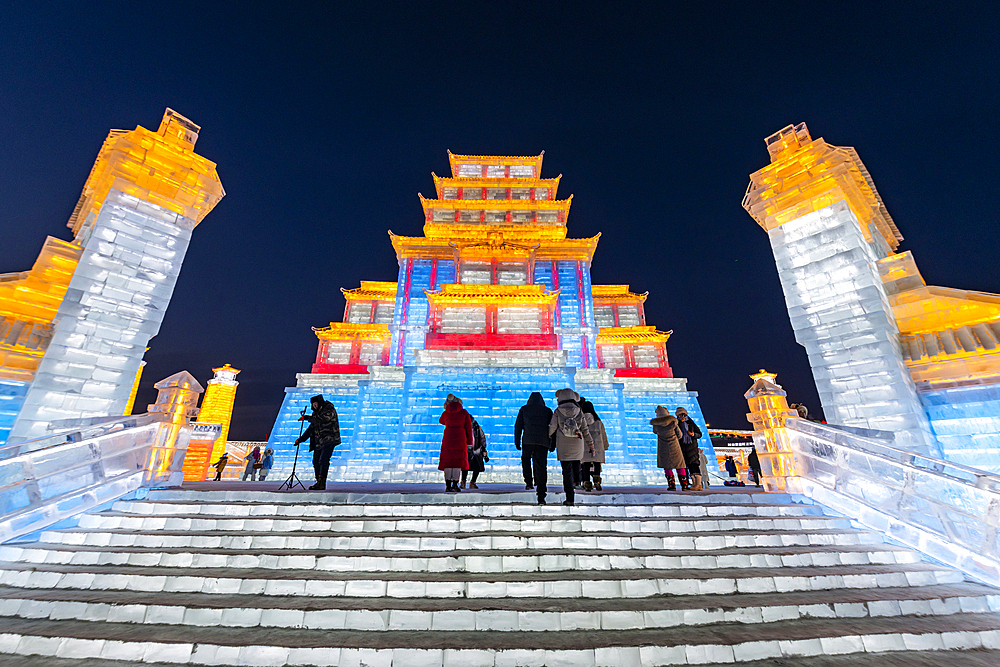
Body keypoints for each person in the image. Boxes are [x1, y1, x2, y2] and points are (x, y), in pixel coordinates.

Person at [548, 388, 594, 506]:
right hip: (577, 443)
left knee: (566, 471)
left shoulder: (558, 411)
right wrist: (590, 444)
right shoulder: (579, 411)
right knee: (576, 465)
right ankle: (577, 481)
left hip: (563, 445)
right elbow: (585, 429)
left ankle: (570, 497)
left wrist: (546, 436)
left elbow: (552, 427)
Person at [294, 394, 341, 490]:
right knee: (316, 461)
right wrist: (301, 439)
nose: (315, 406)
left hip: (329, 439)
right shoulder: (315, 414)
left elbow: (324, 419)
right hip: (319, 441)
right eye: (313, 405)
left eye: (316, 404)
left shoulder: (328, 409)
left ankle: (322, 482)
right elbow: (311, 428)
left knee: (323, 460)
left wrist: (307, 418)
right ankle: (318, 481)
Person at [514, 392, 554, 504]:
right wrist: (552, 444)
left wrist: (517, 441)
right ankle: (541, 492)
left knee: (526, 461)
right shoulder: (547, 411)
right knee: (541, 466)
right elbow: (552, 428)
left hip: (528, 440)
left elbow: (518, 426)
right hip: (543, 441)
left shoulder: (524, 409)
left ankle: (529, 483)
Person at [438, 394, 472, 492]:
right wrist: (469, 442)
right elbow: (468, 428)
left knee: (448, 462)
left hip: (448, 438)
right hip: (460, 438)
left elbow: (441, 421)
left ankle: (448, 485)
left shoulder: (446, 413)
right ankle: (455, 484)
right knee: (457, 462)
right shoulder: (464, 413)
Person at [651, 406, 686, 491]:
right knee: (680, 466)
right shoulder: (673, 423)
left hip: (663, 448)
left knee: (667, 467)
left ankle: (672, 485)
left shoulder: (656, 425)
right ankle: (684, 485)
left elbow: (655, 432)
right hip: (675, 447)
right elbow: (680, 435)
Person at [579, 398, 608, 491]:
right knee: (596, 464)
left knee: (585, 465)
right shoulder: (598, 422)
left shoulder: (581, 421)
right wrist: (605, 445)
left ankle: (587, 483)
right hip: (597, 446)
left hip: (585, 445)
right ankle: (597, 482)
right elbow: (603, 434)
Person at [675, 407, 703, 491]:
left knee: (694, 465)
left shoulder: (691, 423)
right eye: (679, 415)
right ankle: (694, 483)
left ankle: (698, 484)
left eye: (682, 414)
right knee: (688, 465)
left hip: (692, 447)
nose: (681, 416)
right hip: (683, 447)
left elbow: (699, 434)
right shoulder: (677, 424)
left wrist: (693, 434)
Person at [461, 418, 489, 489]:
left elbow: (482, 438)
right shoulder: (475, 427)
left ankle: (470, 482)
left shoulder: (475, 427)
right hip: (470, 450)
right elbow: (482, 438)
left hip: (475, 450)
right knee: (467, 467)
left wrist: (483, 448)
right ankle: (466, 482)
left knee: (475, 467)